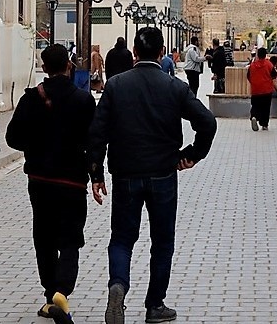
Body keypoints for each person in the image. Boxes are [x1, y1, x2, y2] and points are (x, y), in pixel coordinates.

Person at [89, 27, 216, 324]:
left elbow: (97, 133)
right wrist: (191, 154)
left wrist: (95, 173)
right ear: (161, 53)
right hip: (163, 174)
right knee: (162, 240)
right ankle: (155, 305)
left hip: (125, 173)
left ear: (135, 52)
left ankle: (118, 285)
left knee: (122, 238)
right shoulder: (174, 87)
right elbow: (207, 122)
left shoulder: (116, 86)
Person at [6, 43, 96, 323]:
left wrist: (35, 146)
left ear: (44, 68)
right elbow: (93, 142)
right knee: (70, 239)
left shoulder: (31, 98)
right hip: (72, 181)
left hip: (40, 180)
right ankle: (62, 291)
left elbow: (12, 138)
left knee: (43, 238)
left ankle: (49, 296)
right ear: (69, 65)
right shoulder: (83, 100)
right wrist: (97, 174)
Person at [247, 47, 275, 131]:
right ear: (265, 55)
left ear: (258, 55)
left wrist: (254, 82)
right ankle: (264, 124)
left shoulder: (252, 65)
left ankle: (254, 116)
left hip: (255, 89)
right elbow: (274, 75)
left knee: (255, 105)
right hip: (267, 89)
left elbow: (248, 76)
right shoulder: (269, 64)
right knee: (266, 107)